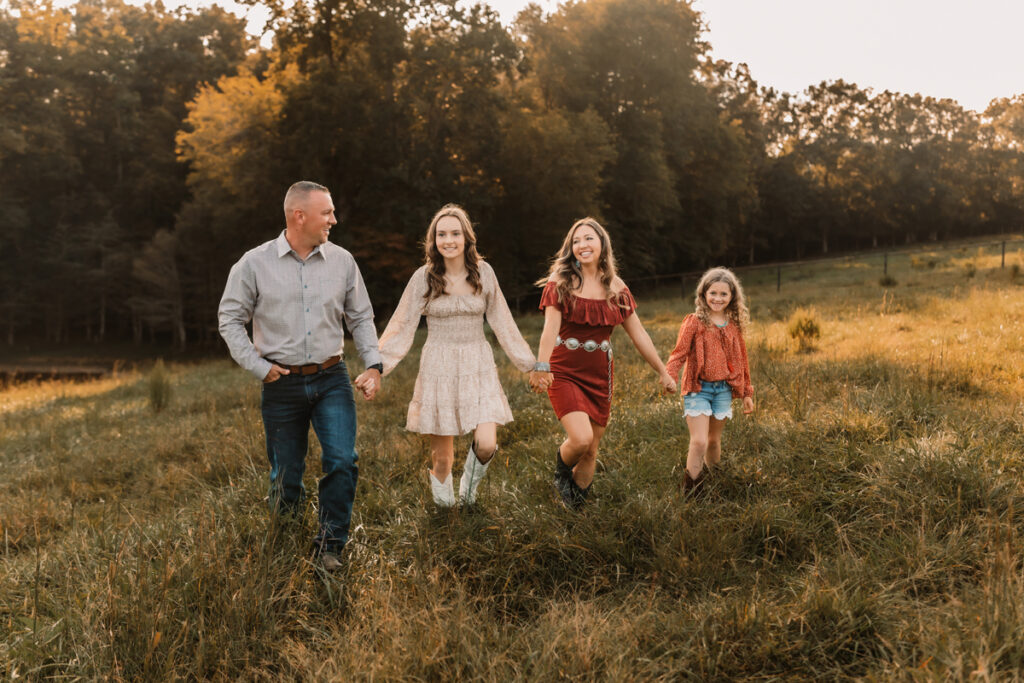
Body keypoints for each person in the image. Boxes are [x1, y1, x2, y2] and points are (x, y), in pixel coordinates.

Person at [218, 181, 383, 571]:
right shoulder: (253, 264)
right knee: (286, 475)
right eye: (327, 212)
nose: (334, 219)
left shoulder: (343, 261)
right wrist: (258, 366)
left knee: (342, 460)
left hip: (332, 378)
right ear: (299, 216)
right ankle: (285, 538)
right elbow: (229, 319)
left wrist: (373, 365)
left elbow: (360, 316)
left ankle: (330, 546)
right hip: (281, 384)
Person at [378, 205, 535, 507]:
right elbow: (401, 324)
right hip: (440, 366)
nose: (448, 240)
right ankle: (445, 510)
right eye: (441, 234)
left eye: (455, 233)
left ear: (466, 237)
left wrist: (530, 364)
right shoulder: (423, 278)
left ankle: (468, 493)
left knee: (487, 443)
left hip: (478, 363)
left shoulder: (483, 272)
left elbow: (503, 321)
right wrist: (377, 367)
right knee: (442, 458)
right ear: (433, 240)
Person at [530, 217, 676, 509]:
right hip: (564, 371)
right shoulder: (560, 283)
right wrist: (541, 365)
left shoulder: (616, 288)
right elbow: (550, 329)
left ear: (602, 244)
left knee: (591, 450)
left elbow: (640, 335)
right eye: (576, 241)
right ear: (571, 249)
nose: (582, 245)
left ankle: (576, 509)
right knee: (581, 439)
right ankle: (560, 475)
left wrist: (663, 371)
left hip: (600, 376)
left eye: (589, 239)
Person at [665, 267, 754, 494]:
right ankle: (692, 490)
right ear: (704, 294)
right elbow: (679, 353)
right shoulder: (695, 322)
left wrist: (746, 393)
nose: (717, 298)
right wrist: (670, 375)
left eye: (724, 294)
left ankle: (714, 481)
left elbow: (742, 360)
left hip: (724, 390)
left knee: (713, 441)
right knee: (699, 442)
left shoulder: (733, 326)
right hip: (698, 388)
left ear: (732, 297)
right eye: (713, 293)